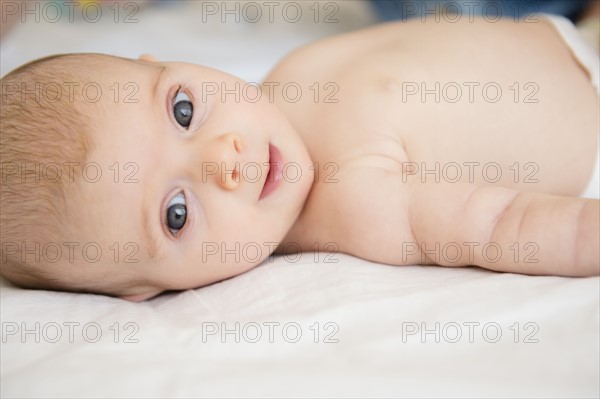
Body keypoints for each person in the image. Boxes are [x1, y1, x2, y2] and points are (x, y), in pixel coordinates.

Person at [1, 15, 598, 302]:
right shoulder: (354, 209)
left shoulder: (287, 80)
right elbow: (498, 225)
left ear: (161, 60)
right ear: (146, 290)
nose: (223, 161)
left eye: (183, 111)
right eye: (176, 214)